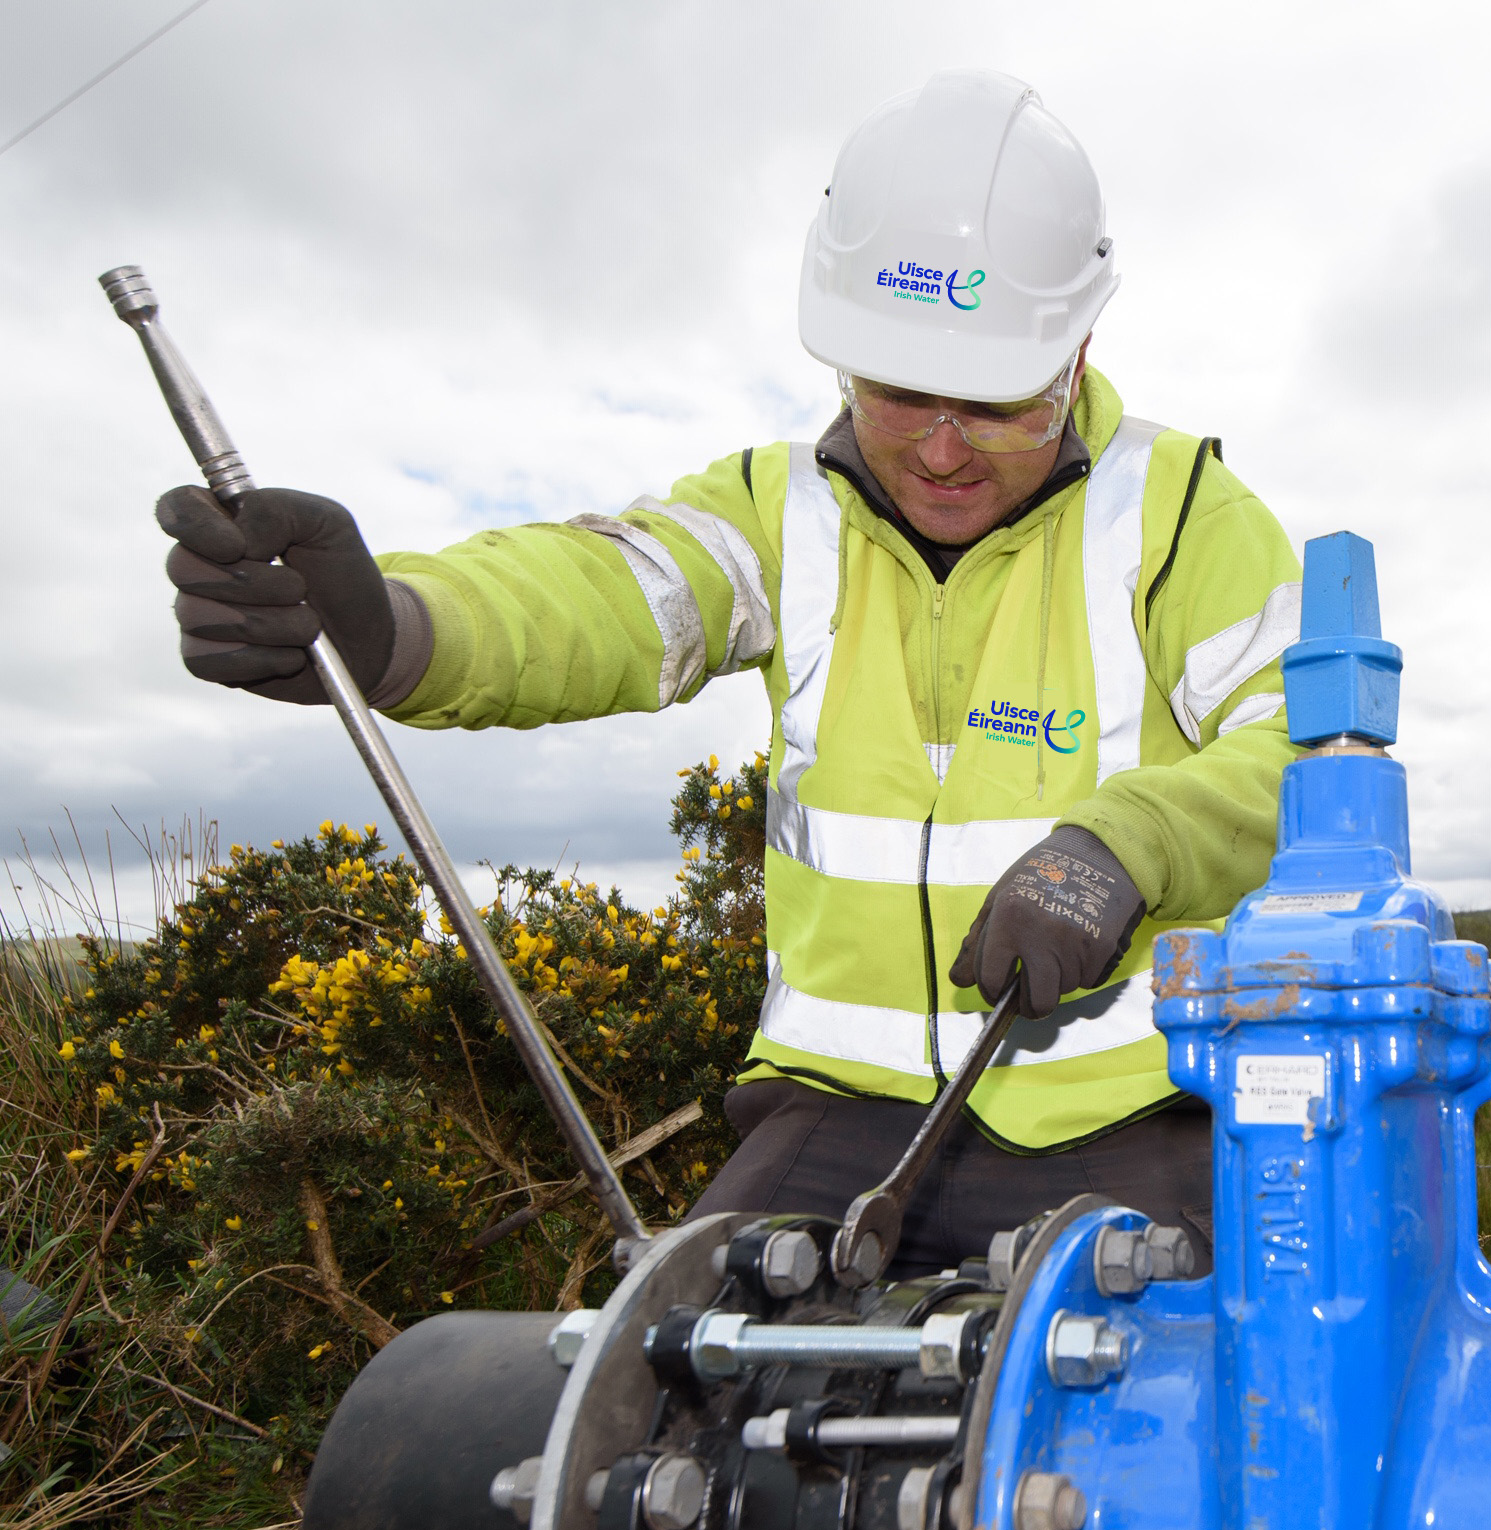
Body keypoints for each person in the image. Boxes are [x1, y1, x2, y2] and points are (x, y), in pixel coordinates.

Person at [153, 70, 1302, 1273]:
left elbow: (1309, 760)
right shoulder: (776, 511)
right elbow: (602, 594)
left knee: (1187, 1428)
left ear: (1075, 352)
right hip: (836, 1114)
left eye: (995, 400)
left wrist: (1123, 845)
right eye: (900, 392)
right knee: (662, 1389)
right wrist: (391, 625)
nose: (944, 450)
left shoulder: (1181, 521)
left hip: (1132, 1120)